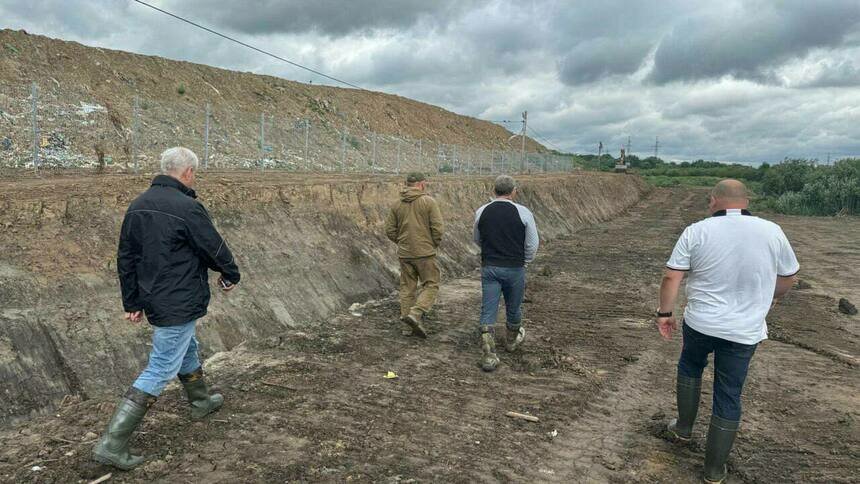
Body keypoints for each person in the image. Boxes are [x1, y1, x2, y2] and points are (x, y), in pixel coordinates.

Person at [93, 147, 241, 470]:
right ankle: (111, 443)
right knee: (160, 367)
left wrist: (131, 301)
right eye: (194, 174)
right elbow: (213, 246)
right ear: (187, 173)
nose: (194, 179)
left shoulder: (137, 206)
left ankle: (200, 401)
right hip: (179, 300)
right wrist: (231, 274)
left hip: (154, 298)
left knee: (186, 348)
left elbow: (126, 258)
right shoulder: (188, 208)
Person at [656, 179, 799, 483]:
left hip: (701, 323)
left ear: (714, 201)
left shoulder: (697, 230)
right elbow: (788, 277)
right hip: (745, 329)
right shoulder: (772, 230)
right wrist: (767, 296)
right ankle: (713, 470)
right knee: (728, 392)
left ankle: (683, 428)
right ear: (746, 201)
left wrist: (665, 313)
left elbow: (671, 277)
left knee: (691, 366)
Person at [473, 175, 539, 372]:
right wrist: (524, 261)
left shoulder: (482, 211)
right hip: (514, 267)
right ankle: (511, 341)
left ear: (494, 191)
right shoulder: (524, 212)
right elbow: (532, 243)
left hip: (490, 266)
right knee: (514, 305)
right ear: (514, 191)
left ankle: (488, 353)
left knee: (488, 307)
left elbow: (477, 238)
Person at [384, 172, 444, 338]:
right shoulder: (429, 202)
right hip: (425, 253)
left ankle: (407, 326)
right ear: (422, 184)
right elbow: (438, 229)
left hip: (405, 253)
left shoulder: (397, 204)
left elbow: (389, 230)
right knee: (431, 284)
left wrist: (403, 242)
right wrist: (432, 244)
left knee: (407, 288)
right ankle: (416, 314)